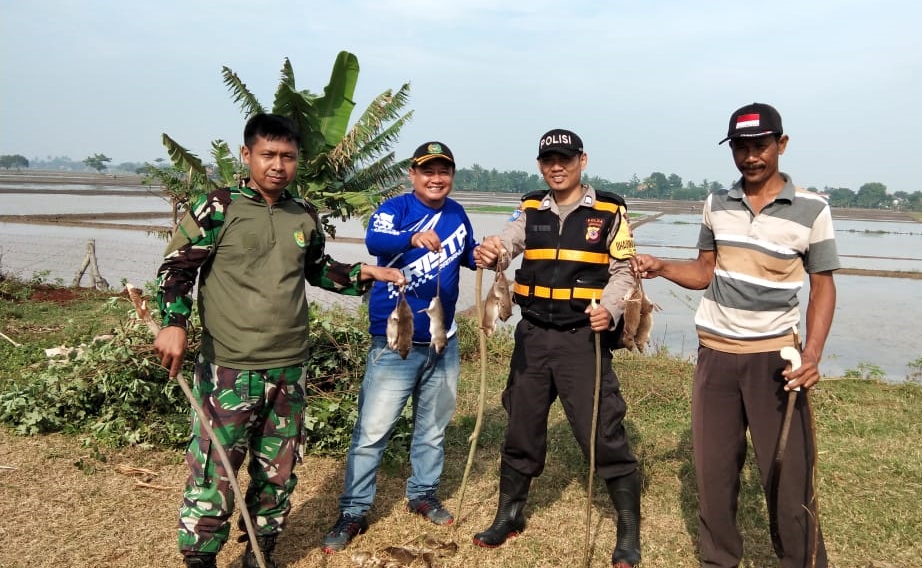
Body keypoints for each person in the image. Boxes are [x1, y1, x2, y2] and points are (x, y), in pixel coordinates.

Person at [153, 113, 404, 568]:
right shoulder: (219, 207)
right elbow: (177, 268)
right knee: (215, 471)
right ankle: (201, 558)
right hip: (229, 367)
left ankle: (260, 551)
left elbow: (316, 268)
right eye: (268, 155)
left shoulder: (303, 213)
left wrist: (361, 273)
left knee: (278, 472)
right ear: (247, 155)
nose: (277, 165)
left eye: (287, 156)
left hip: (290, 367)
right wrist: (174, 322)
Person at [634, 102, 839, 568]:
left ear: (780, 145)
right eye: (741, 148)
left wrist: (812, 353)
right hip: (715, 359)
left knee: (788, 480)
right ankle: (718, 561)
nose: (750, 157)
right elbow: (706, 271)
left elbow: (823, 285)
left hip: (776, 362)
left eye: (760, 146)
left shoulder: (812, 209)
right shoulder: (716, 205)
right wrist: (662, 266)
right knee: (714, 477)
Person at [473, 129, 643, 568]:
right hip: (533, 335)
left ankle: (627, 526)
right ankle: (509, 514)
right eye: (548, 159)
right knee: (521, 425)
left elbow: (625, 271)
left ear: (581, 160)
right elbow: (510, 240)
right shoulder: (531, 207)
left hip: (582, 337)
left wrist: (609, 310)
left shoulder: (610, 210)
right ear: (540, 164)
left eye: (564, 158)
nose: (556, 166)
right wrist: (494, 249)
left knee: (601, 430)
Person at [322, 141, 479, 552]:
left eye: (444, 170)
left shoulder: (458, 213)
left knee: (433, 428)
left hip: (443, 340)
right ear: (413, 174)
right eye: (428, 171)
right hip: (396, 339)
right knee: (373, 430)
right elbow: (376, 240)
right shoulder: (396, 209)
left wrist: (490, 254)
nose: (436, 178)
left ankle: (423, 494)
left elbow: (470, 255)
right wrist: (413, 237)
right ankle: (354, 510)